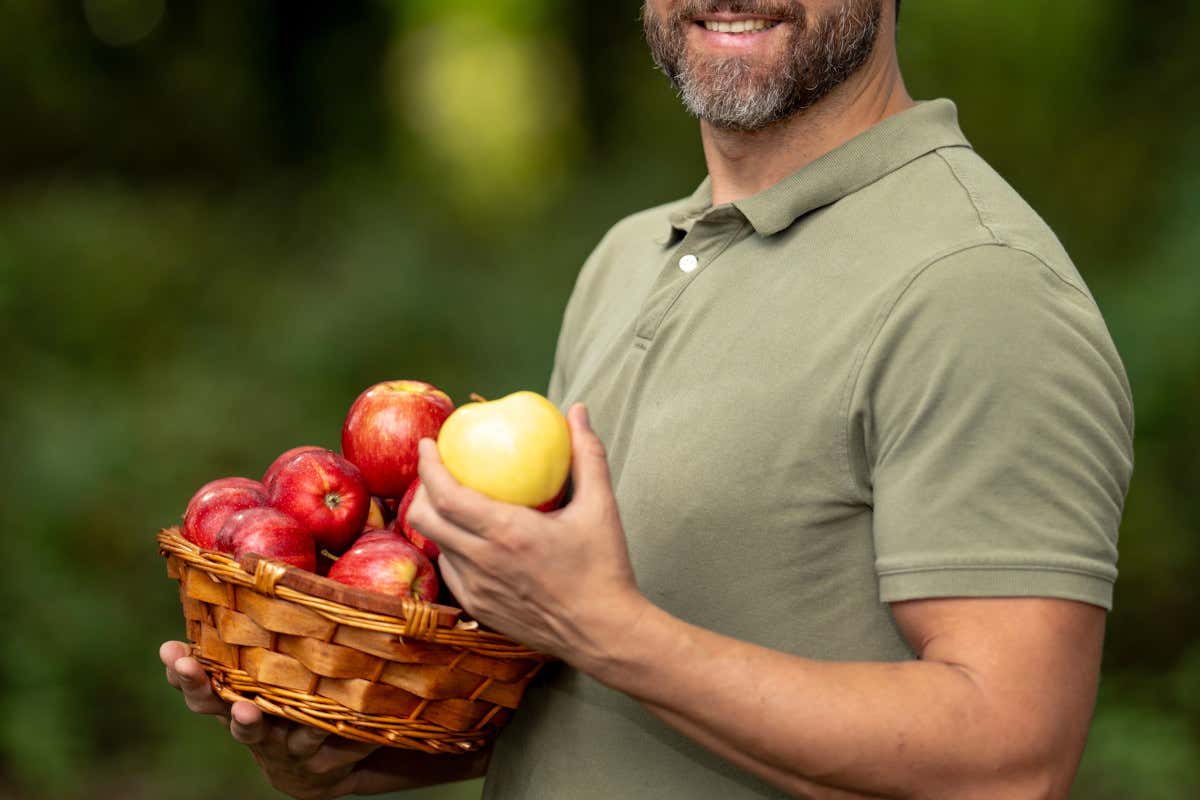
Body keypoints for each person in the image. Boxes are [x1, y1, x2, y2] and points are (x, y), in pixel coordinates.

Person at [161, 0, 1135, 797]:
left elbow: (1008, 762)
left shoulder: (979, 285)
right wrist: (352, 738)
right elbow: (567, 693)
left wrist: (610, 628)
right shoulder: (630, 254)